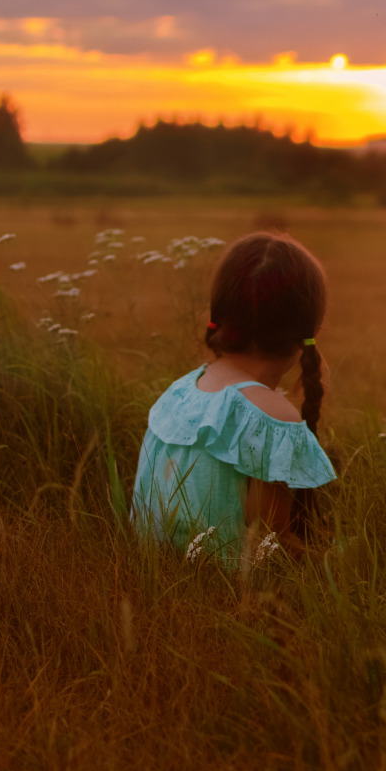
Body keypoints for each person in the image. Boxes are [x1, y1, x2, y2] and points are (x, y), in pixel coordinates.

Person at [132, 232, 336, 567]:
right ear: (310, 330)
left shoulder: (180, 392)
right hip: (222, 588)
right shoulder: (274, 421)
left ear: (221, 313)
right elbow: (270, 549)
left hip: (148, 568)